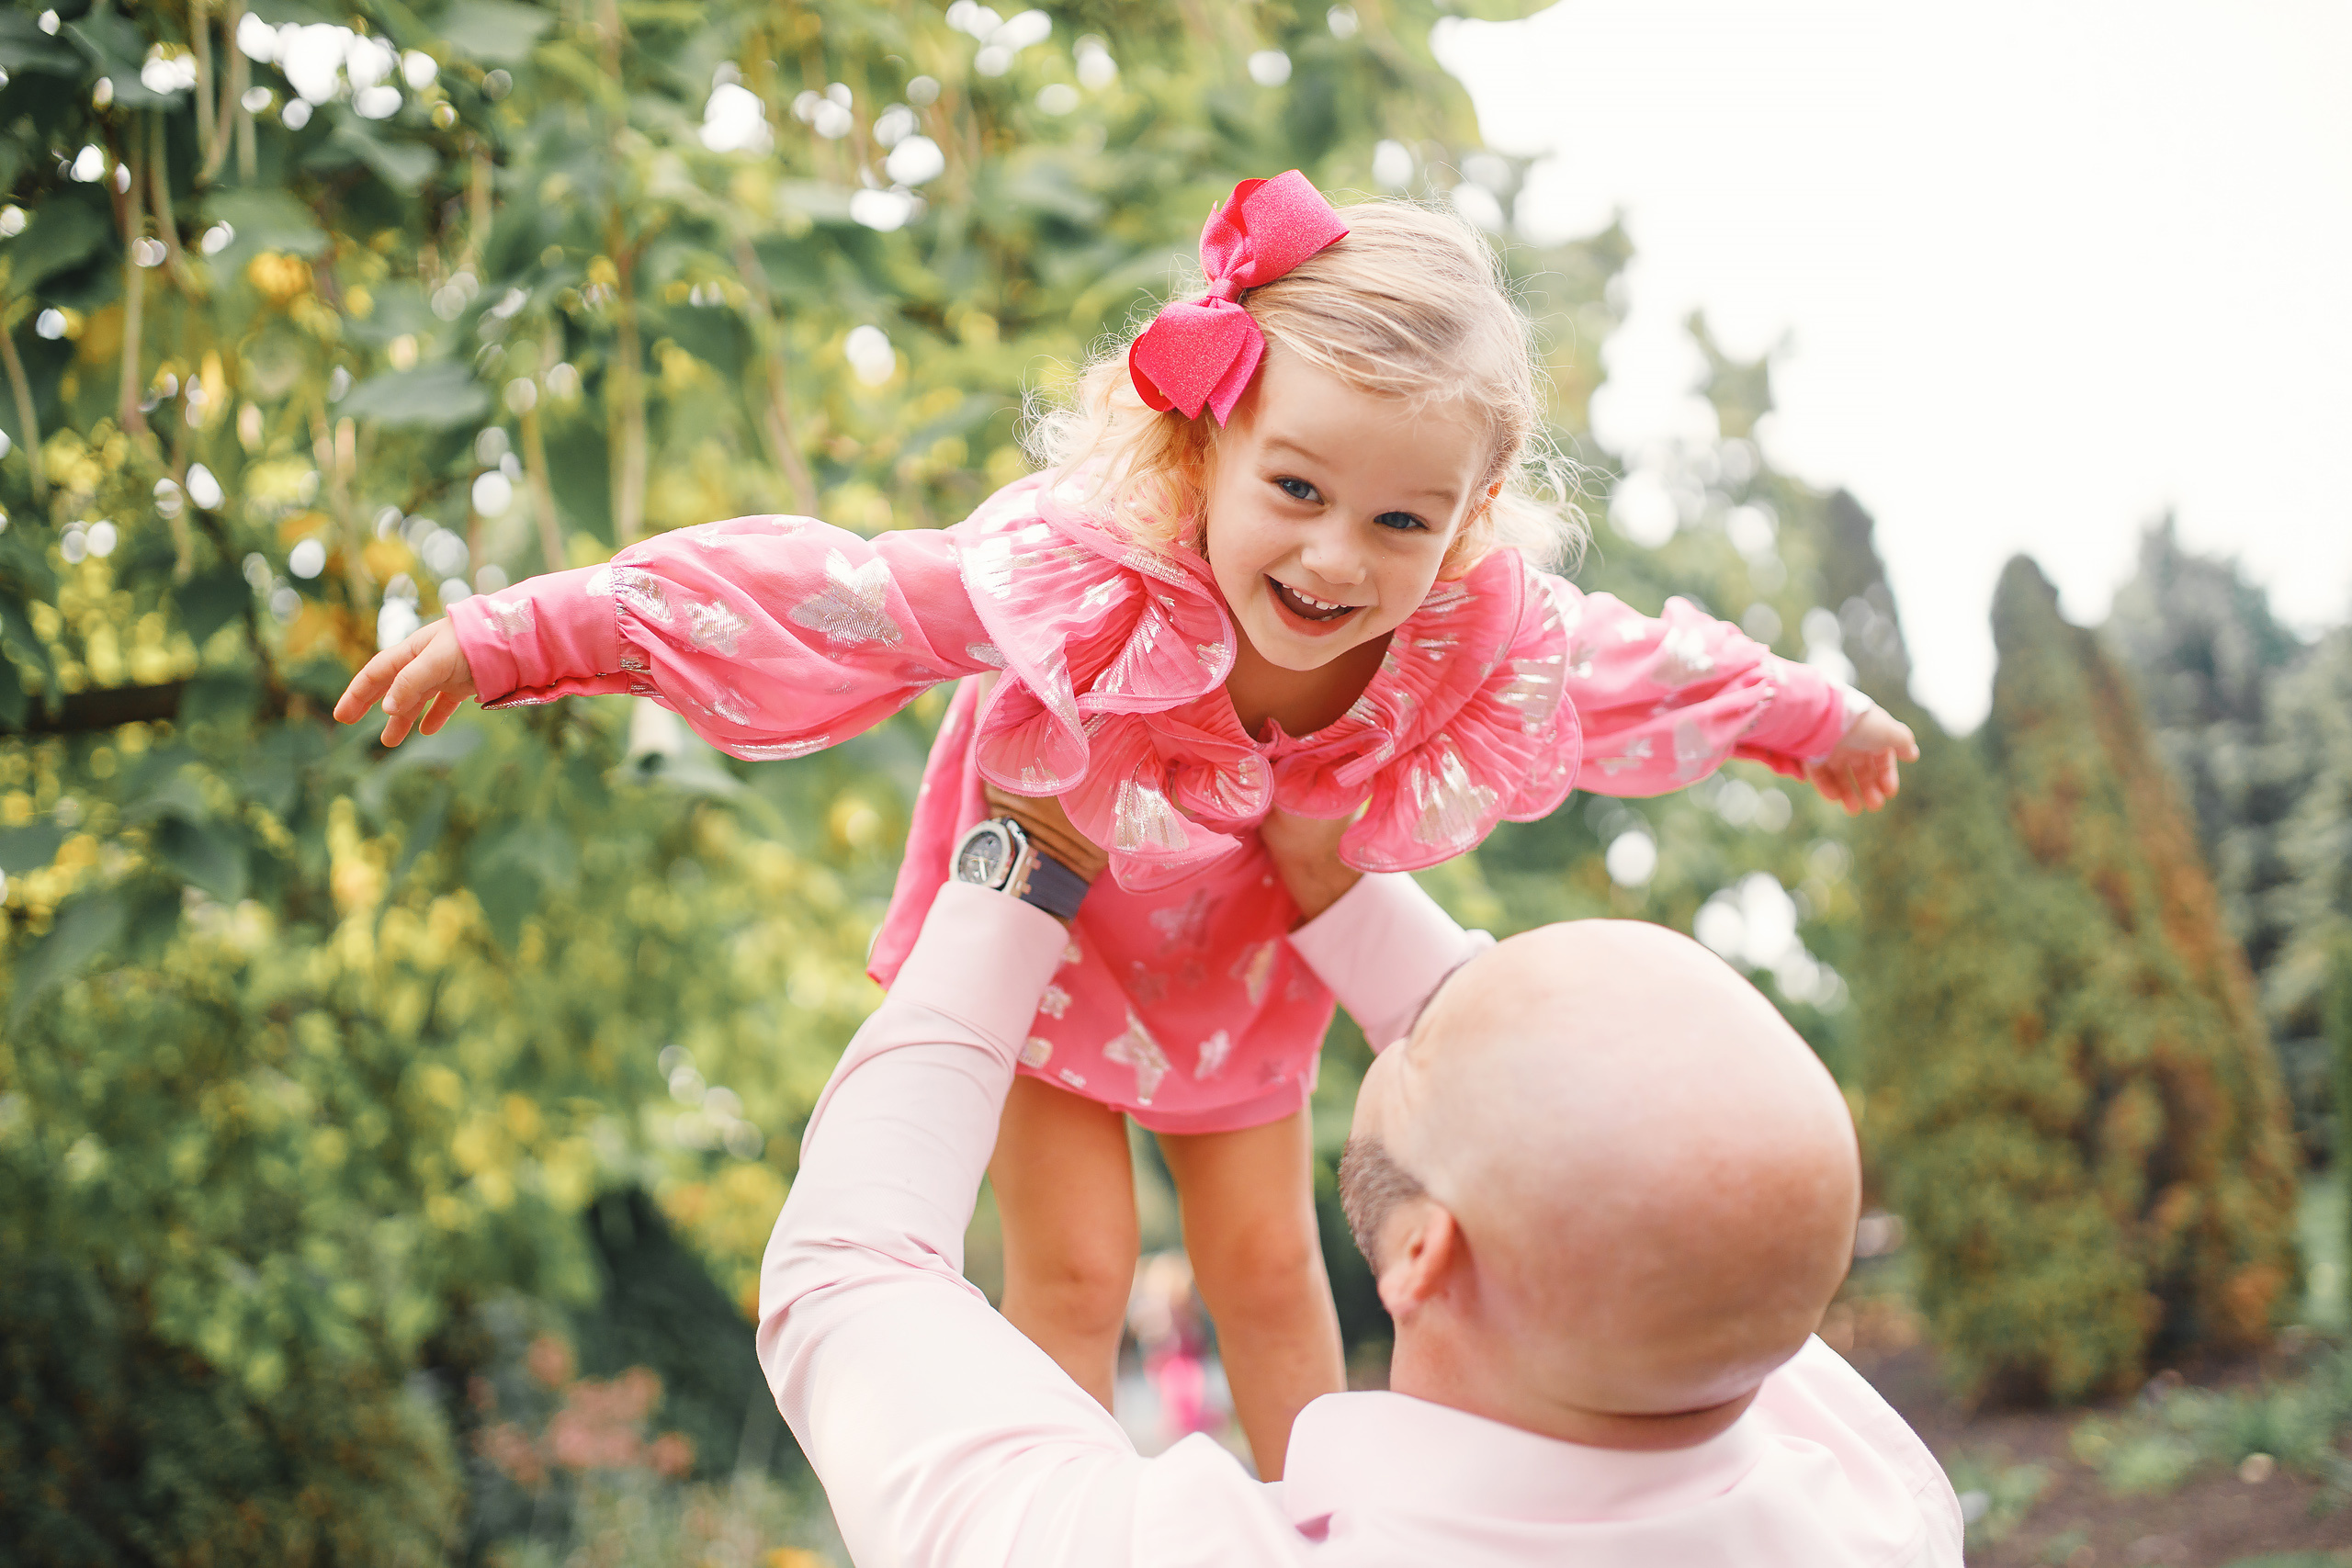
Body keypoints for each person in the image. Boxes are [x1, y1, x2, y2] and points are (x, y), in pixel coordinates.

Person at [334, 170, 1917, 1475]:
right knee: (1078, 1268)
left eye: (1401, 520)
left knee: (1273, 1272)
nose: (1337, 557)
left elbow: (1642, 671)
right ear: (1207, 445)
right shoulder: (1089, 578)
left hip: (1241, 961)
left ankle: (1327, 1523)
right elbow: (841, 596)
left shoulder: (1469, 638)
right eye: (1296, 490)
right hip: (1056, 935)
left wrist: (1814, 718)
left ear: (1469, 518)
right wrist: (535, 633)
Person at [758, 801, 1963, 1566]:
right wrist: (1348, 897)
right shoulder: (1876, 1509)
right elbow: (1683, 1215)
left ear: (1425, 1252)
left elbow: (846, 1272)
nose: (1421, 1012)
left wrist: (1010, 878)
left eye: (1442, 1028)